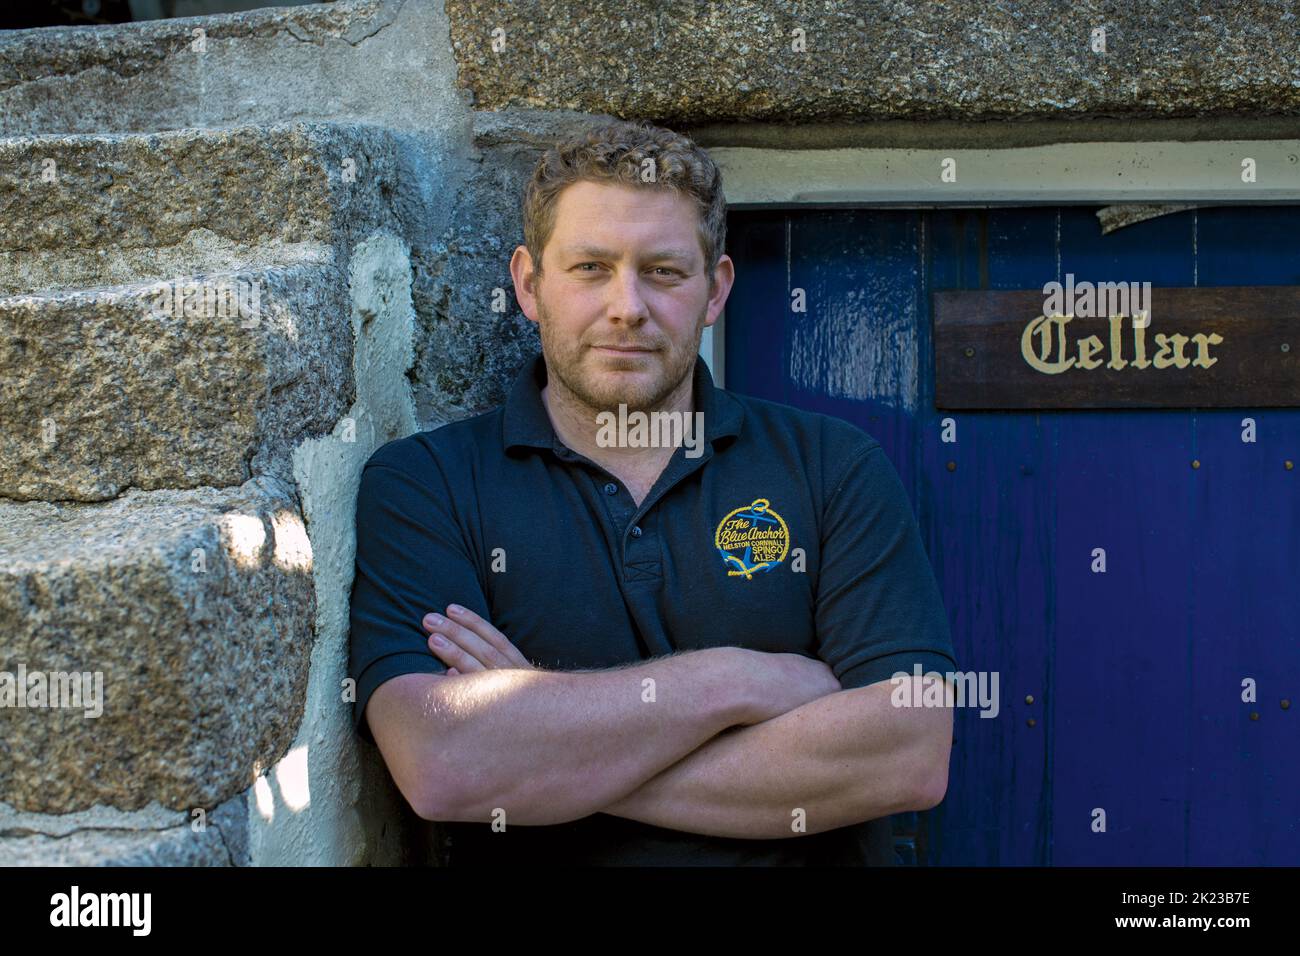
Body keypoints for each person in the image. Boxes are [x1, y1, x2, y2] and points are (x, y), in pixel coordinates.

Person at [347, 118, 957, 865]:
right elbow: (443, 765)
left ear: (715, 290)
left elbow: (909, 749)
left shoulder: (831, 467)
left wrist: (539, 738)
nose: (627, 306)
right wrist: (738, 679)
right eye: (591, 268)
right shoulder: (424, 483)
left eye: (663, 271)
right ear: (529, 285)